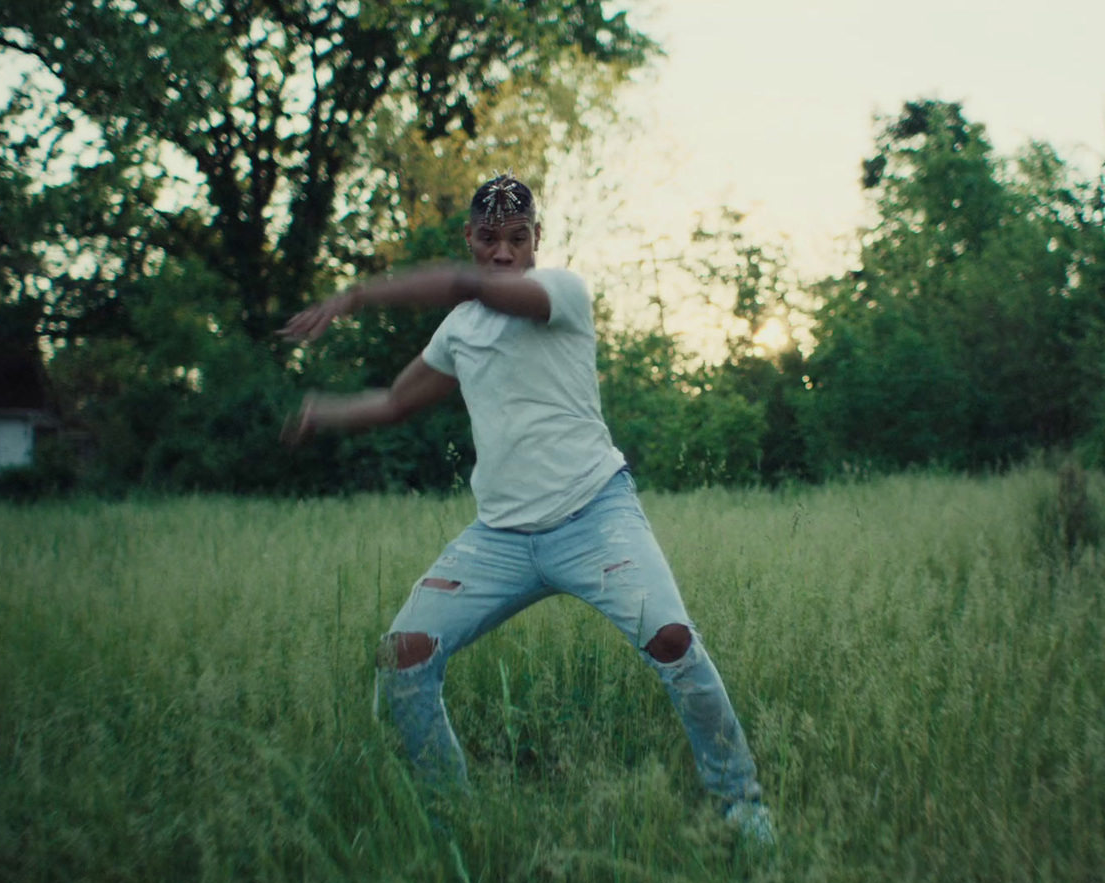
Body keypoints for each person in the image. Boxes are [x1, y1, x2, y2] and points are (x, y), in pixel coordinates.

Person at [278, 173, 773, 844]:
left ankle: (741, 802)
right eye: (488, 239)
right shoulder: (457, 333)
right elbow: (395, 402)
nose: (503, 252)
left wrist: (358, 295)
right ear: (471, 238)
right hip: (500, 539)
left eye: (517, 239)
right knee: (402, 656)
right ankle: (453, 815)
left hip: (596, 516)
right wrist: (321, 412)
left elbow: (467, 285)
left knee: (672, 640)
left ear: (537, 240)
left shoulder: (561, 294)